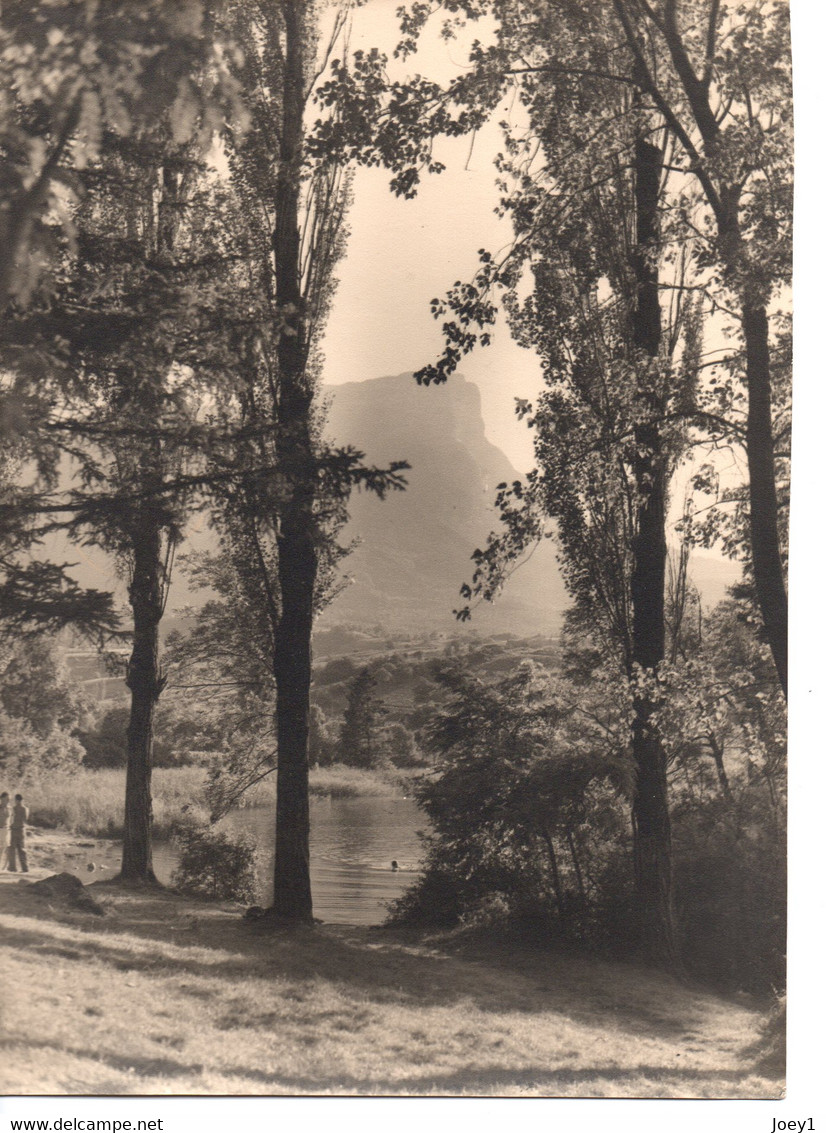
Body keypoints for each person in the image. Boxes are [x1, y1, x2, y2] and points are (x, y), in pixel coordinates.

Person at [7, 794, 29, 873]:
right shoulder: (25, 809)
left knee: (13, 849)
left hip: (15, 829)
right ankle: (24, 867)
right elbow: (25, 819)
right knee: (21, 849)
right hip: (20, 829)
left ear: (16, 800)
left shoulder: (15, 808)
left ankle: (13, 867)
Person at [0, 792, 9, 870]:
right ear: (2, 799)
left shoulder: (8, 808)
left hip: (5, 830)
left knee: (4, 848)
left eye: (8, 799)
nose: (8, 800)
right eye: (6, 799)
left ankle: (3, 865)